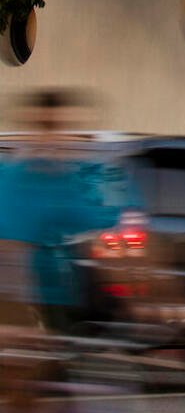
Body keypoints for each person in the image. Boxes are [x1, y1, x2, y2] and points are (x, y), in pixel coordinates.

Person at [0, 89, 124, 333]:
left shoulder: (79, 179)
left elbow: (102, 224)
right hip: (18, 301)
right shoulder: (11, 178)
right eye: (44, 127)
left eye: (58, 127)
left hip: (67, 298)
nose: (51, 137)